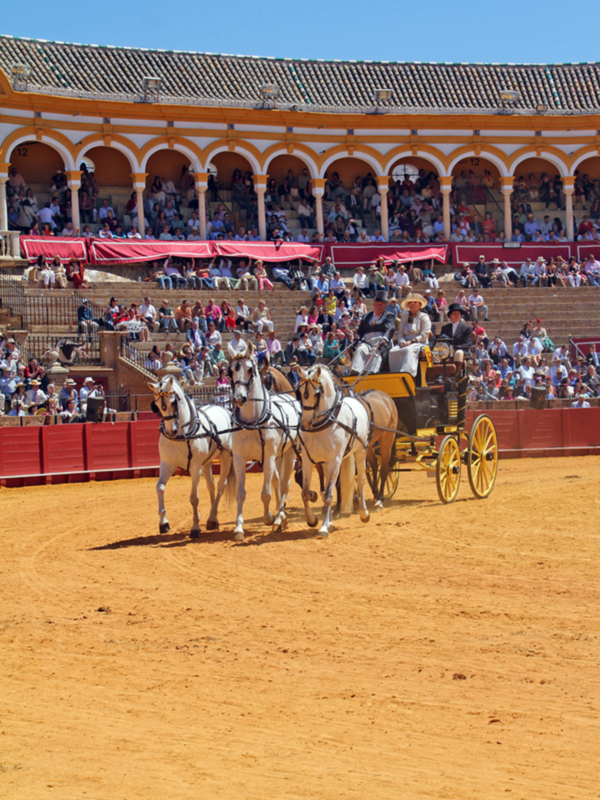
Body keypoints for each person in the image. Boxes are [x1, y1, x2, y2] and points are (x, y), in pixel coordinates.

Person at [350, 290, 396, 375]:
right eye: (377, 303)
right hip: (366, 341)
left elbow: (390, 328)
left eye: (382, 304)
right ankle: (355, 371)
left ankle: (371, 372)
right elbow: (361, 331)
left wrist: (385, 339)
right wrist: (357, 337)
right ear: (373, 304)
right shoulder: (366, 316)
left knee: (375, 352)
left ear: (386, 306)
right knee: (360, 350)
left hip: (380, 341)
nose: (379, 306)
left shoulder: (389, 316)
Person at [388, 293, 432, 375]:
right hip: (405, 342)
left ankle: (407, 374)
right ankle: (395, 374)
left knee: (408, 350)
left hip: (419, 343)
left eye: (415, 302)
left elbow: (425, 334)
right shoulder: (405, 317)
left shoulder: (424, 316)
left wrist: (412, 341)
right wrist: (402, 342)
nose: (412, 304)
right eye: (410, 302)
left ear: (420, 305)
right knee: (392, 351)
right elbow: (400, 333)